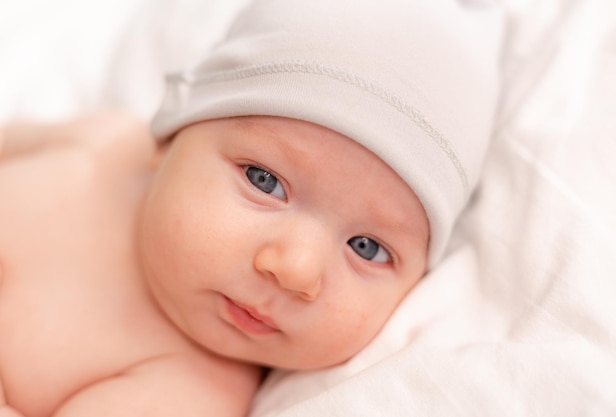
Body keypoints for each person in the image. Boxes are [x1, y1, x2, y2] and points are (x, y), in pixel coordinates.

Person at [0, 0, 500, 416]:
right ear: (171, 134)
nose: (295, 269)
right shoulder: (102, 141)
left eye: (366, 248)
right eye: (266, 181)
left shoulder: (188, 389)